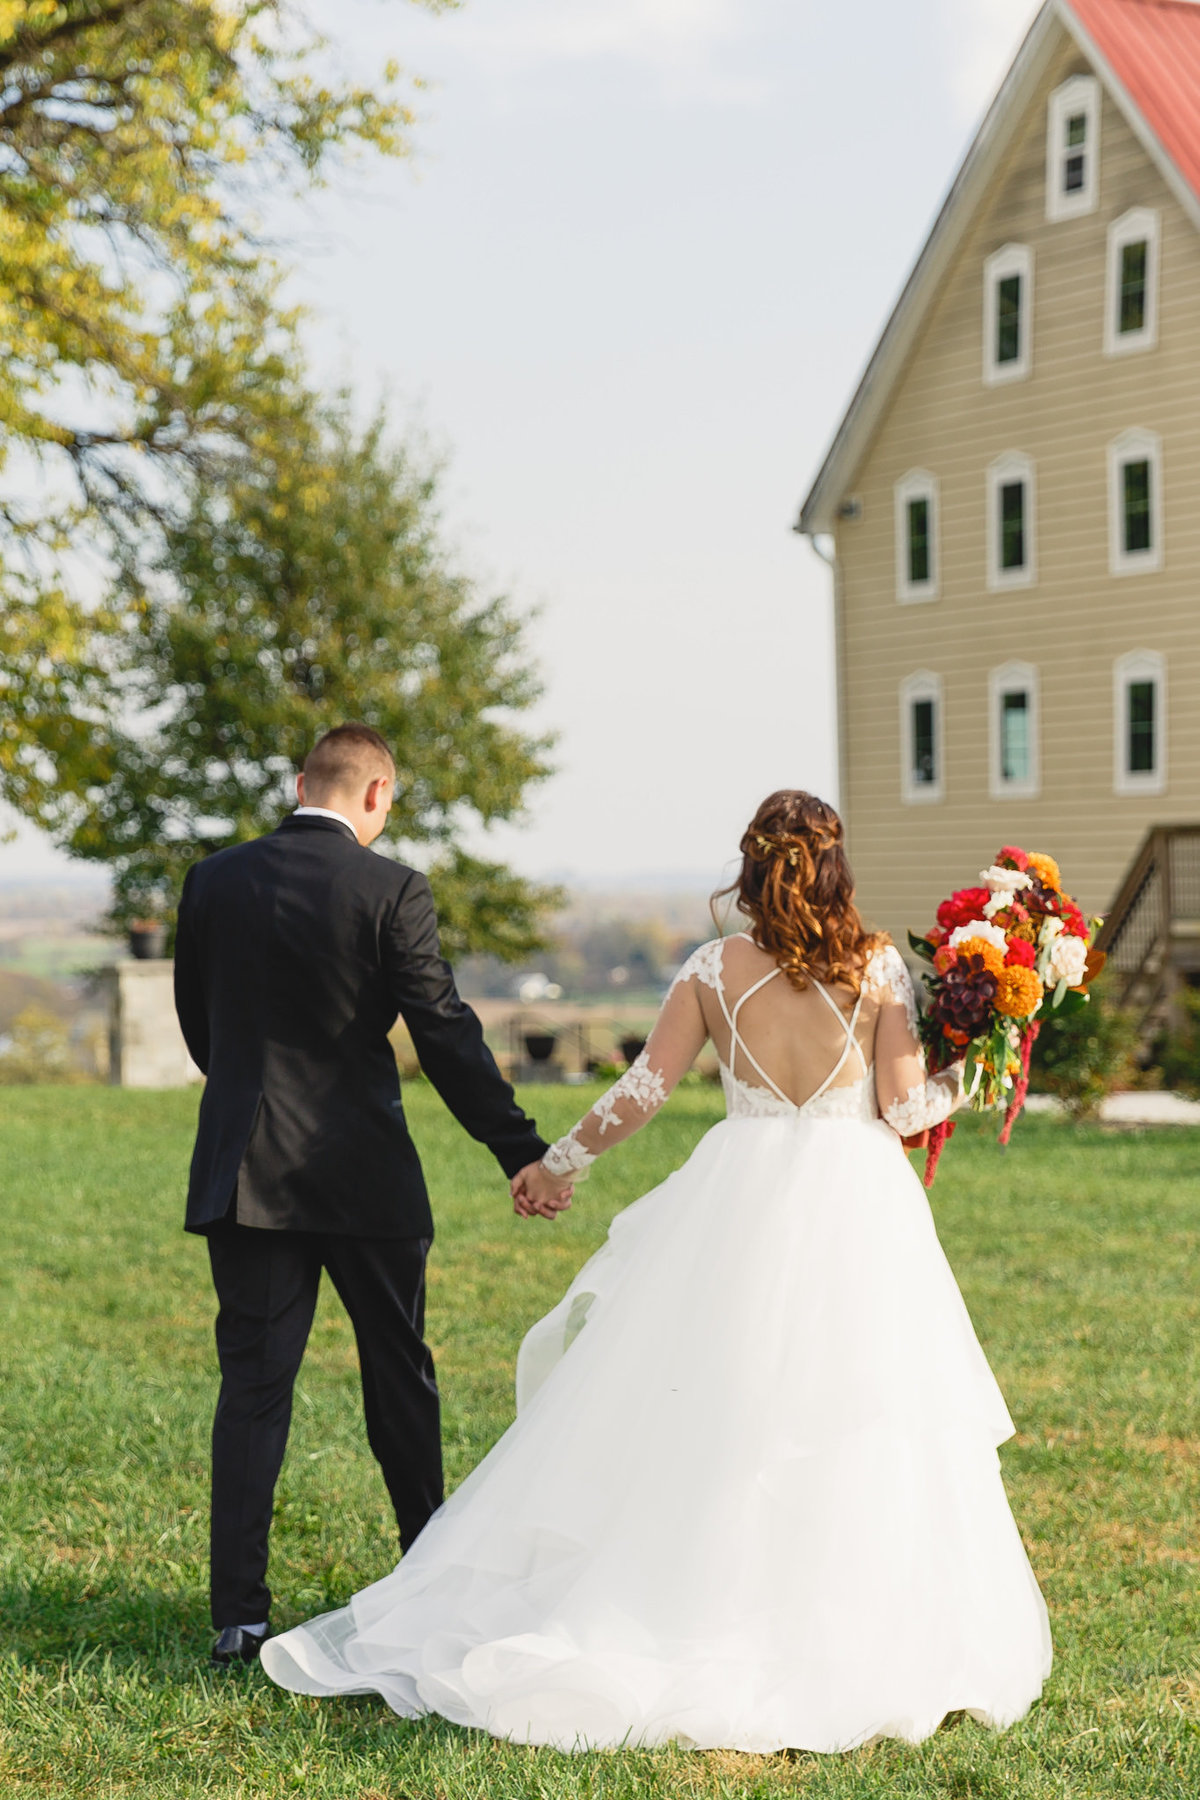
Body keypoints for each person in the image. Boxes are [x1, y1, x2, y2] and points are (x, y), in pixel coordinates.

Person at [261, 790, 1052, 1753]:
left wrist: (557, 1165)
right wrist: (980, 1063)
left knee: (720, 1397)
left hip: (741, 1193)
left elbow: (644, 1090)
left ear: (751, 865)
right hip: (859, 1203)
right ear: (836, 863)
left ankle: (692, 1594)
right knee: (856, 1404)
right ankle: (850, 1617)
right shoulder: (877, 966)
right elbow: (904, 1109)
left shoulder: (714, 970)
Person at [173, 723, 557, 1669]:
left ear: (301, 781)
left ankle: (239, 1617)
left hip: (244, 1170)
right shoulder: (392, 890)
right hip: (363, 1176)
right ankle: (423, 1574)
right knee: (400, 1377)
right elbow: (445, 1033)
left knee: (253, 1392)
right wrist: (520, 1147)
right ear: (379, 795)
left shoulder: (212, 880)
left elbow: (198, 1021)